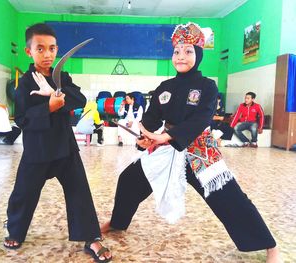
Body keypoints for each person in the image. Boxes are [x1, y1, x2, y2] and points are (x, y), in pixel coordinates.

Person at [101, 22, 280, 263]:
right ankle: (118, 222)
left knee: (229, 197)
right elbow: (151, 118)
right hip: (165, 149)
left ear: (198, 55)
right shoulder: (165, 87)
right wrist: (145, 137)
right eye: (177, 51)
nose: (181, 57)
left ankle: (269, 245)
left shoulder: (207, 86)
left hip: (199, 149)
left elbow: (202, 118)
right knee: (129, 180)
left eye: (188, 51)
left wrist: (166, 136)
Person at [3, 23, 112, 262]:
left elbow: (80, 98)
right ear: (28, 51)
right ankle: (15, 230)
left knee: (79, 191)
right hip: (37, 150)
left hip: (65, 147)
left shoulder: (61, 76)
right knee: (24, 192)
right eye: (40, 49)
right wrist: (48, 107)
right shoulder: (24, 86)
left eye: (52, 48)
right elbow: (22, 119)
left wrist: (56, 92)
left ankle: (91, 237)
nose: (47, 54)